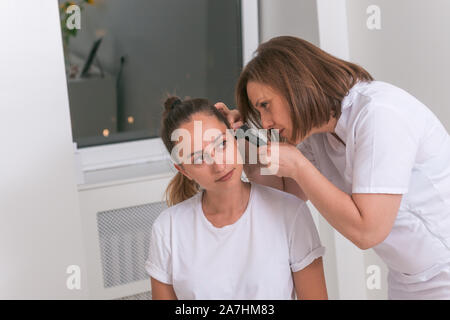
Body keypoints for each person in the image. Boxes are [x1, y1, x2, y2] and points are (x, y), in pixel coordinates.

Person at [215, 36, 450, 299]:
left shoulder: (379, 114)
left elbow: (368, 232)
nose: (266, 122)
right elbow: (282, 194)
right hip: (408, 277)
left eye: (265, 106)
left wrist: (300, 167)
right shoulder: (317, 133)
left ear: (294, 86)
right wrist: (243, 136)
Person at [145, 96, 327, 300]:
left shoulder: (290, 213)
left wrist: (247, 130)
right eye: (198, 158)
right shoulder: (168, 229)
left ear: (235, 138)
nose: (219, 165)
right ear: (183, 170)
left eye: (222, 144)